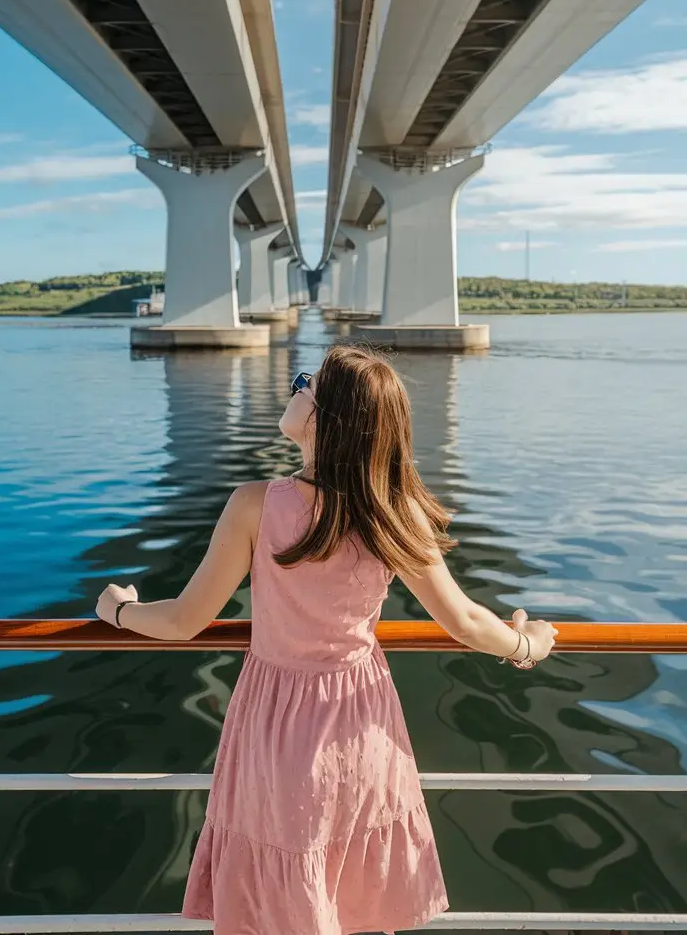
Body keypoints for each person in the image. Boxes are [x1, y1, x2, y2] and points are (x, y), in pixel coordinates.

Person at [96, 344, 557, 934]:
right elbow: (464, 622)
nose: (295, 387)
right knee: (350, 889)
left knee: (286, 883)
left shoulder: (255, 506)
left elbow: (185, 620)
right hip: (359, 718)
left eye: (304, 383)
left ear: (324, 417)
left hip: (274, 720)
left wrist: (120, 612)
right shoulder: (392, 512)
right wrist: (528, 644)